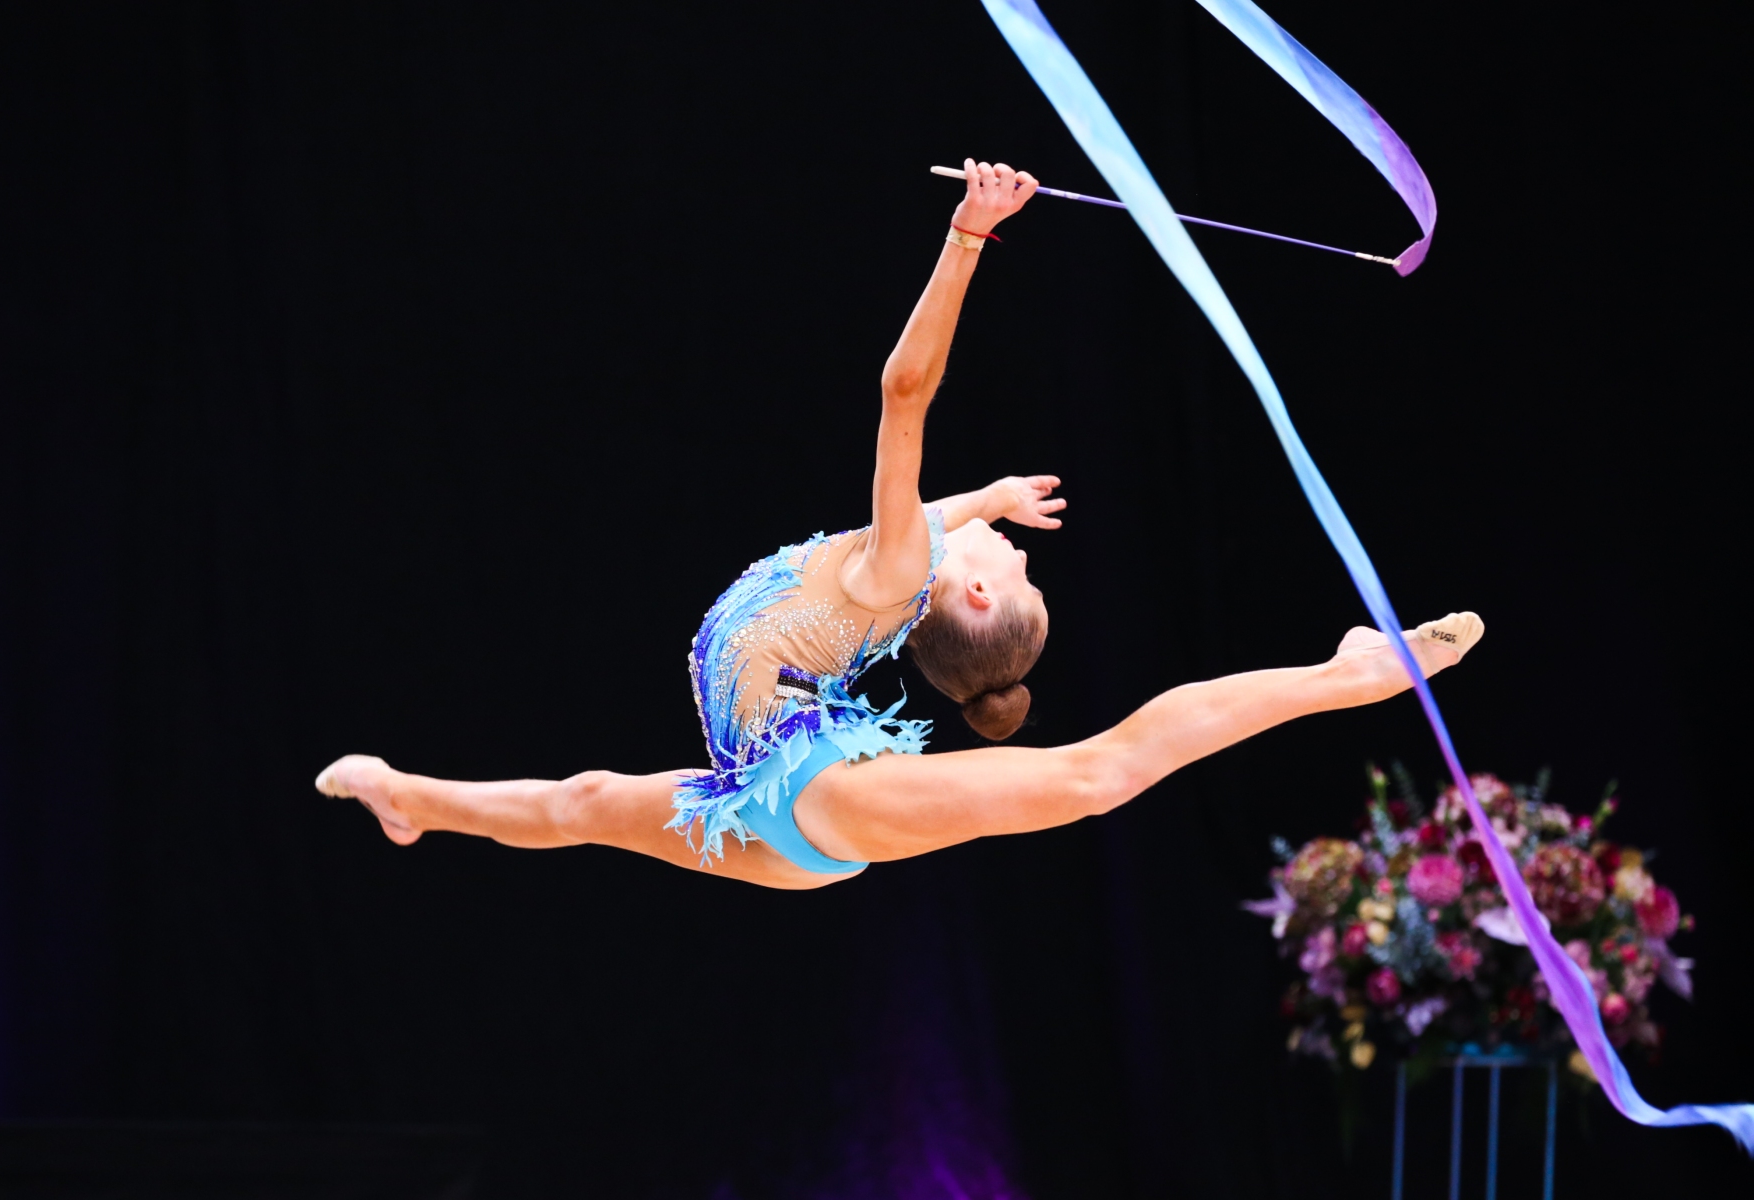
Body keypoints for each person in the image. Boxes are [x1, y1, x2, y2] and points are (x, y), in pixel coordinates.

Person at [315, 159, 1484, 891]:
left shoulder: (895, 571)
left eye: (1015, 566)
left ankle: (1351, 675)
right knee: (578, 802)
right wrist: (991, 500)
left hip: (817, 797)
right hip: (759, 804)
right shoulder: (903, 568)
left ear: (970, 596)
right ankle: (412, 800)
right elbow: (935, 516)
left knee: (1097, 775)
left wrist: (969, 235)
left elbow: (905, 393)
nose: (1013, 547)